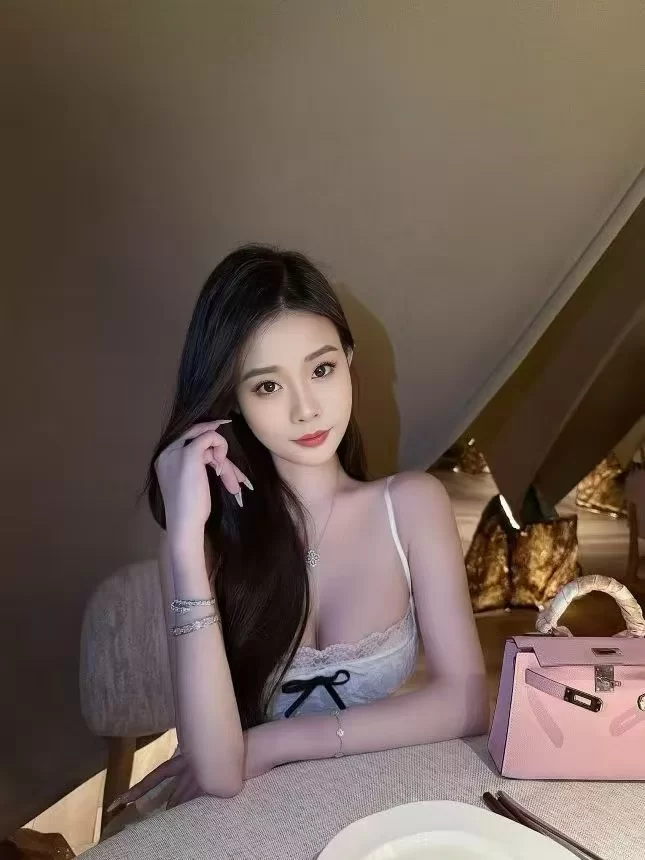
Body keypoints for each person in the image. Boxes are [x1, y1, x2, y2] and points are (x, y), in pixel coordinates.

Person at [105, 244, 488, 829]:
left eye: (321, 369)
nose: (306, 409)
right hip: (245, 820)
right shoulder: (202, 544)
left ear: (349, 360)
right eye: (267, 386)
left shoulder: (412, 506)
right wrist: (182, 543)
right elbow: (218, 772)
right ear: (232, 400)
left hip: (382, 801)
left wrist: (274, 741)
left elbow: (467, 701)